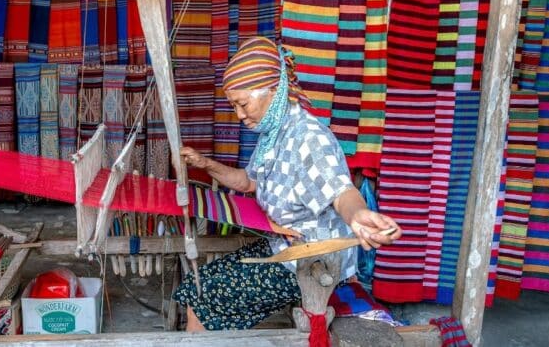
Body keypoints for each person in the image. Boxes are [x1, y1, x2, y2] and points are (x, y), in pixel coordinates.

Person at [172, 36, 402, 331]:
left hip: (312, 265)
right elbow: (247, 183)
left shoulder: (307, 138)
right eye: (234, 106)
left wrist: (357, 215)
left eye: (243, 104)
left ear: (274, 90)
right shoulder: (273, 135)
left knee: (204, 298)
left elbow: (341, 192)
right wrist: (206, 164)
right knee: (197, 284)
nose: (239, 115)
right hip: (283, 250)